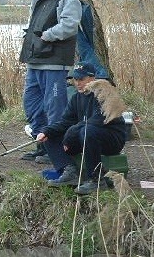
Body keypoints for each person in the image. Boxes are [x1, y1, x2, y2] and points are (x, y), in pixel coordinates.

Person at [19, 0, 82, 164]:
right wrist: (28, 35)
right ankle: (42, 146)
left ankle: (56, 153)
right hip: (35, 59)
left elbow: (70, 25)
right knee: (32, 105)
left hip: (55, 61)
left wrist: (46, 35)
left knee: (55, 109)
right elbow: (32, 21)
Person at [36, 62, 127, 195]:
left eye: (81, 79)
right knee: (49, 134)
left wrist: (71, 132)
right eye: (76, 79)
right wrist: (46, 131)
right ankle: (70, 171)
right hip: (85, 136)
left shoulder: (104, 93)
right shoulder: (76, 98)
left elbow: (97, 121)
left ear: (92, 78)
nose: (78, 83)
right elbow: (65, 122)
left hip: (111, 139)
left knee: (87, 131)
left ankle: (96, 180)